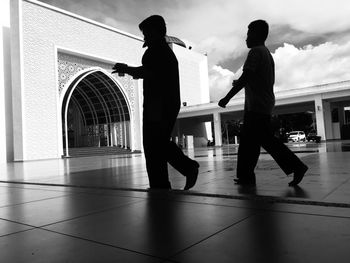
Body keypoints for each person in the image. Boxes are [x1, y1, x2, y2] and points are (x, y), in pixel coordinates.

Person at [112, 15, 199, 190]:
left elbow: (150, 73)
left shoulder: (156, 50)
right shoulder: (163, 50)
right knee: (157, 143)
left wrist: (127, 69)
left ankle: (179, 173)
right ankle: (163, 182)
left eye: (146, 33)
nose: (144, 37)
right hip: (164, 103)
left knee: (154, 144)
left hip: (158, 104)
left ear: (155, 31)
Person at [218, 20, 308, 186]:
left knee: (257, 142)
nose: (246, 38)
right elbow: (254, 78)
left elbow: (247, 77)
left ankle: (297, 166)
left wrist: (227, 98)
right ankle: (247, 176)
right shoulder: (265, 53)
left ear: (257, 35)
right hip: (262, 105)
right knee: (251, 143)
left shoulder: (255, 52)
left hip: (257, 107)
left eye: (249, 33)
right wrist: (240, 82)